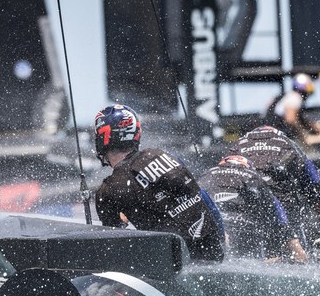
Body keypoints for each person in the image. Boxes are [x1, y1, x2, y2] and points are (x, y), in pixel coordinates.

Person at [93, 104, 225, 261]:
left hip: (172, 269)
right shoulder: (166, 156)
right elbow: (204, 199)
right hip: (215, 254)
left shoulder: (108, 190)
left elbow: (112, 248)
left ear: (103, 139)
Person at [232, 126, 320, 259]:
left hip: (241, 221)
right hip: (282, 219)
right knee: (300, 259)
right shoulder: (294, 152)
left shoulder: (234, 151)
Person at [197, 154, 308, 262]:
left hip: (211, 232)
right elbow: (277, 212)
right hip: (242, 231)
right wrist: (295, 246)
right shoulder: (252, 176)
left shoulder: (205, 175)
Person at [263, 73, 320, 140]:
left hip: (269, 131)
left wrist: (311, 126)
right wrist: (304, 135)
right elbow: (291, 119)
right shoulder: (295, 97)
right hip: (276, 134)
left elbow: (298, 118)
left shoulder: (286, 96)